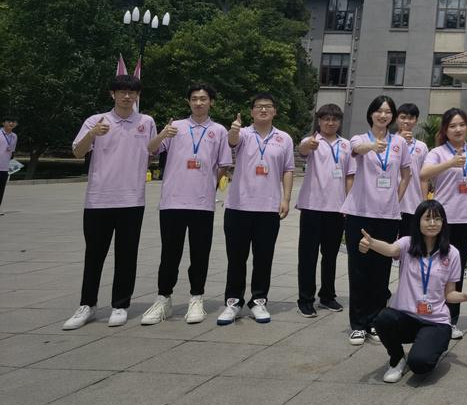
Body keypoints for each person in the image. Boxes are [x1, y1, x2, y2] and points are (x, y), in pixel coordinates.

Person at [63, 74, 156, 330]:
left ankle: (120, 304)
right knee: (94, 254)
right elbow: (77, 152)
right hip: (98, 199)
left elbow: (152, 151)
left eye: (131, 92)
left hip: (132, 199)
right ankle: (87, 304)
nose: (127, 96)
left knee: (127, 254)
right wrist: (92, 134)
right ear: (112, 94)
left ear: (137, 95)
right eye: (121, 91)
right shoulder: (96, 120)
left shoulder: (146, 122)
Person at [358, 200, 467, 382]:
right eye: (427, 219)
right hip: (406, 318)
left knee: (420, 364)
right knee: (384, 319)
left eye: (437, 219)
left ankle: (430, 347)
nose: (432, 223)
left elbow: (449, 294)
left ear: (443, 223)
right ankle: (397, 359)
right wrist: (371, 243)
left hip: (435, 322)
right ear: (418, 221)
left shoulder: (452, 253)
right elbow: (390, 249)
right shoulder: (407, 244)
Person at [141, 84, 232, 325]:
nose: (198, 103)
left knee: (200, 253)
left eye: (203, 99)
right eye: (194, 99)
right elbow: (150, 149)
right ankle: (163, 299)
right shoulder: (176, 127)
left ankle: (196, 297)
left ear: (211, 102)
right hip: (172, 201)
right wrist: (163, 134)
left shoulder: (219, 131)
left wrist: (209, 185)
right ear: (188, 102)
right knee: (169, 253)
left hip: (202, 203)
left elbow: (223, 164)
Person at [218, 93, 295, 326]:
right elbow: (232, 142)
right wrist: (233, 131)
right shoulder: (242, 133)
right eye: (259, 107)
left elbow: (288, 170)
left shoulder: (284, 138)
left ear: (275, 111)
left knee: (263, 257)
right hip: (238, 206)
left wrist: (286, 199)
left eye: (268, 106)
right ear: (251, 111)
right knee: (236, 257)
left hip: (268, 208)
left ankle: (259, 300)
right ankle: (233, 302)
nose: (263, 110)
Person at [342, 95, 411, 344]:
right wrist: (372, 146)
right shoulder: (359, 139)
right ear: (371, 114)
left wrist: (395, 198)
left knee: (381, 271)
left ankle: (375, 321)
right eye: (379, 111)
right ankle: (358, 324)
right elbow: (356, 150)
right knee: (359, 269)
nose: (383, 115)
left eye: (388, 112)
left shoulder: (399, 143)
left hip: (387, 216)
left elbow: (406, 174)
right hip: (360, 214)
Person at [420, 107, 467, 340]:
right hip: (442, 220)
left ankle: (452, 319)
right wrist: (449, 163)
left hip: (465, 220)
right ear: (445, 130)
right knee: (436, 268)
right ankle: (431, 313)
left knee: (457, 270)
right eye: (452, 126)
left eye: (461, 125)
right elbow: (424, 174)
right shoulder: (437, 152)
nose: (458, 129)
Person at [295, 103, 351, 317]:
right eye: (326, 118)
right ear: (319, 121)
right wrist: (308, 145)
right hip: (312, 207)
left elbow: (349, 176)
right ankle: (305, 299)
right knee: (307, 255)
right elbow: (302, 150)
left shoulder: (346, 145)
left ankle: (327, 296)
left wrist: (349, 205)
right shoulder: (312, 141)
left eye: (334, 119)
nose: (330, 122)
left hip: (337, 209)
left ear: (339, 122)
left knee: (330, 256)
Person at [394, 102, 431, 239]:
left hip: (413, 204)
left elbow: (424, 177)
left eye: (410, 118)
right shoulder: (388, 143)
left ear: (415, 120)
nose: (406, 121)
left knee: (408, 244)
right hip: (390, 202)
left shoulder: (422, 147)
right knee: (386, 243)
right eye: (403, 117)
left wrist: (424, 202)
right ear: (396, 119)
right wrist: (399, 140)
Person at [0, 115, 17, 214]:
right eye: (9, 121)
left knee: (1, 188)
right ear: (3, 123)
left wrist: (11, 166)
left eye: (13, 122)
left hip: (4, 167)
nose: (11, 123)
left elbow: (12, 152)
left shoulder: (14, 136)